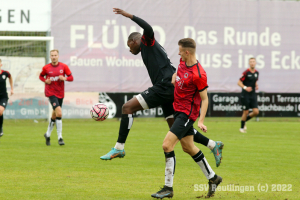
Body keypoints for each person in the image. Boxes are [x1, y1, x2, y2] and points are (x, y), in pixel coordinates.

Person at [100, 8, 224, 167]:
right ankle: (213, 145)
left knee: (127, 107)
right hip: (170, 88)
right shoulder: (148, 48)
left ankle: (119, 148)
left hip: (165, 86)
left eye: (129, 46)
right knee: (178, 129)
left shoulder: (146, 42)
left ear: (134, 41)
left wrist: (128, 15)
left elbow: (148, 28)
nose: (129, 49)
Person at [151, 38, 222, 199]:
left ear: (187, 52)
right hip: (177, 110)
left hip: (187, 114)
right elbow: (177, 76)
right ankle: (213, 178)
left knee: (167, 145)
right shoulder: (182, 63)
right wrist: (174, 79)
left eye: (180, 50)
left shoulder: (199, 74)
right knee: (188, 147)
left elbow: (205, 99)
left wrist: (201, 121)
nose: (178, 53)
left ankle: (168, 188)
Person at [39, 49, 74, 145]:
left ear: (58, 56)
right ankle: (60, 138)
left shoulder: (64, 66)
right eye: (52, 55)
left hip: (60, 94)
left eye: (55, 55)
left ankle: (47, 134)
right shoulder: (46, 68)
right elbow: (41, 76)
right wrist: (45, 80)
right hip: (50, 93)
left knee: (55, 115)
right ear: (50, 57)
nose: (54, 57)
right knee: (59, 113)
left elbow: (71, 78)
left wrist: (65, 78)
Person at [237, 57, 259, 133]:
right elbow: (239, 82)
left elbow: (254, 80)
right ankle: (242, 128)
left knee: (256, 112)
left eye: (253, 61)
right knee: (245, 111)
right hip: (245, 94)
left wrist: (256, 85)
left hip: (252, 94)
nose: (252, 63)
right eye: (251, 62)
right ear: (249, 63)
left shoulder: (256, 73)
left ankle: (244, 120)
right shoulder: (246, 72)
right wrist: (245, 87)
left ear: (255, 63)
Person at [0, 59, 14, 137]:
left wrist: (12, 88)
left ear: (1, 65)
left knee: (0, 111)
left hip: (3, 97)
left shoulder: (5, 73)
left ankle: (0, 128)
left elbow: (10, 77)